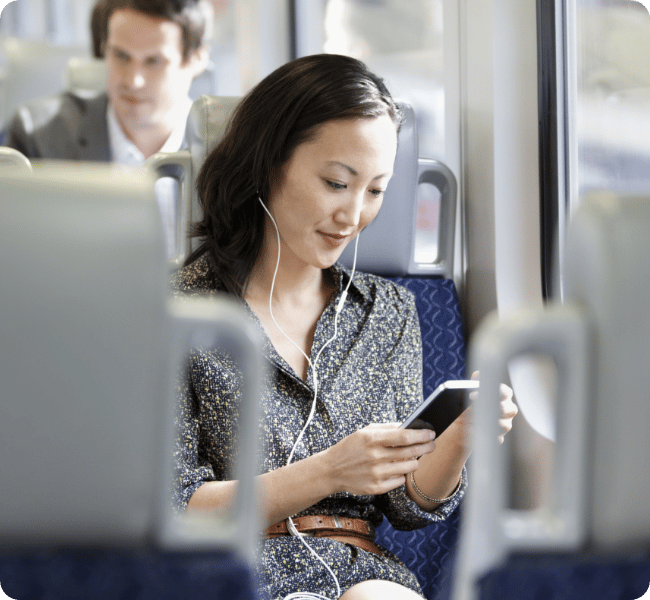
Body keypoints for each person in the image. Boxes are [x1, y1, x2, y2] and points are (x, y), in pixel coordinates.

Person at [171, 54, 518, 600]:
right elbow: (176, 507)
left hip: (359, 569)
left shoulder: (392, 312)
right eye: (337, 182)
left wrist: (457, 443)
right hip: (228, 568)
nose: (354, 215)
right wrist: (331, 471)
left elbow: (406, 507)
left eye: (376, 191)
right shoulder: (178, 310)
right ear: (268, 164)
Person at [3, 0, 211, 162]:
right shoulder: (37, 138)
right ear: (102, 51)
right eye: (121, 56)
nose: (133, 81)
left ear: (197, 60)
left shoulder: (228, 152)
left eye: (153, 61)